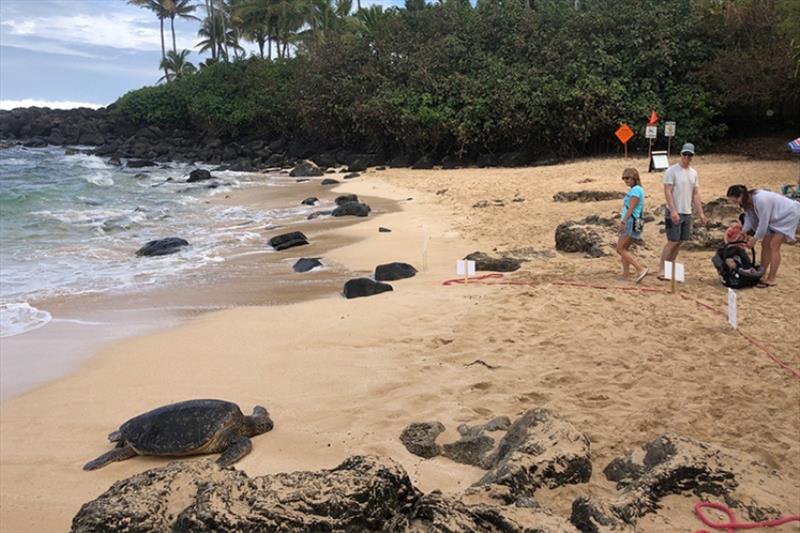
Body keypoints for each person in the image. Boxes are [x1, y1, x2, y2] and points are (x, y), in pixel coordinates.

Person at [726, 184, 800, 287]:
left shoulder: (761, 200)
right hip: (774, 217)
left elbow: (763, 223)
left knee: (774, 245)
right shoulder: (747, 202)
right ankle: (762, 273)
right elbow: (749, 218)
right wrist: (743, 232)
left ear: (741, 196)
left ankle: (772, 278)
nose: (735, 203)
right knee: (765, 244)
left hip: (788, 214)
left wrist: (754, 239)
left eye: (735, 200)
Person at [658, 142, 708, 280]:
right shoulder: (671, 171)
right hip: (674, 210)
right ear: (681, 154)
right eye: (684, 154)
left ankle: (670, 267)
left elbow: (695, 194)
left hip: (687, 211)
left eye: (689, 155)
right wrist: (673, 210)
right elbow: (667, 191)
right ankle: (662, 268)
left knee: (680, 241)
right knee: (672, 240)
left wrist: (701, 213)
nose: (687, 157)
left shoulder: (693, 173)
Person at [616, 168, 648, 283]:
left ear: (634, 178)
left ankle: (640, 269)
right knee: (625, 248)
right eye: (624, 178)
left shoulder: (635, 190)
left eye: (628, 178)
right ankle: (625, 274)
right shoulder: (638, 190)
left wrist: (623, 221)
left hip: (631, 221)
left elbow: (631, 208)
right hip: (636, 221)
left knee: (620, 248)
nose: (625, 180)